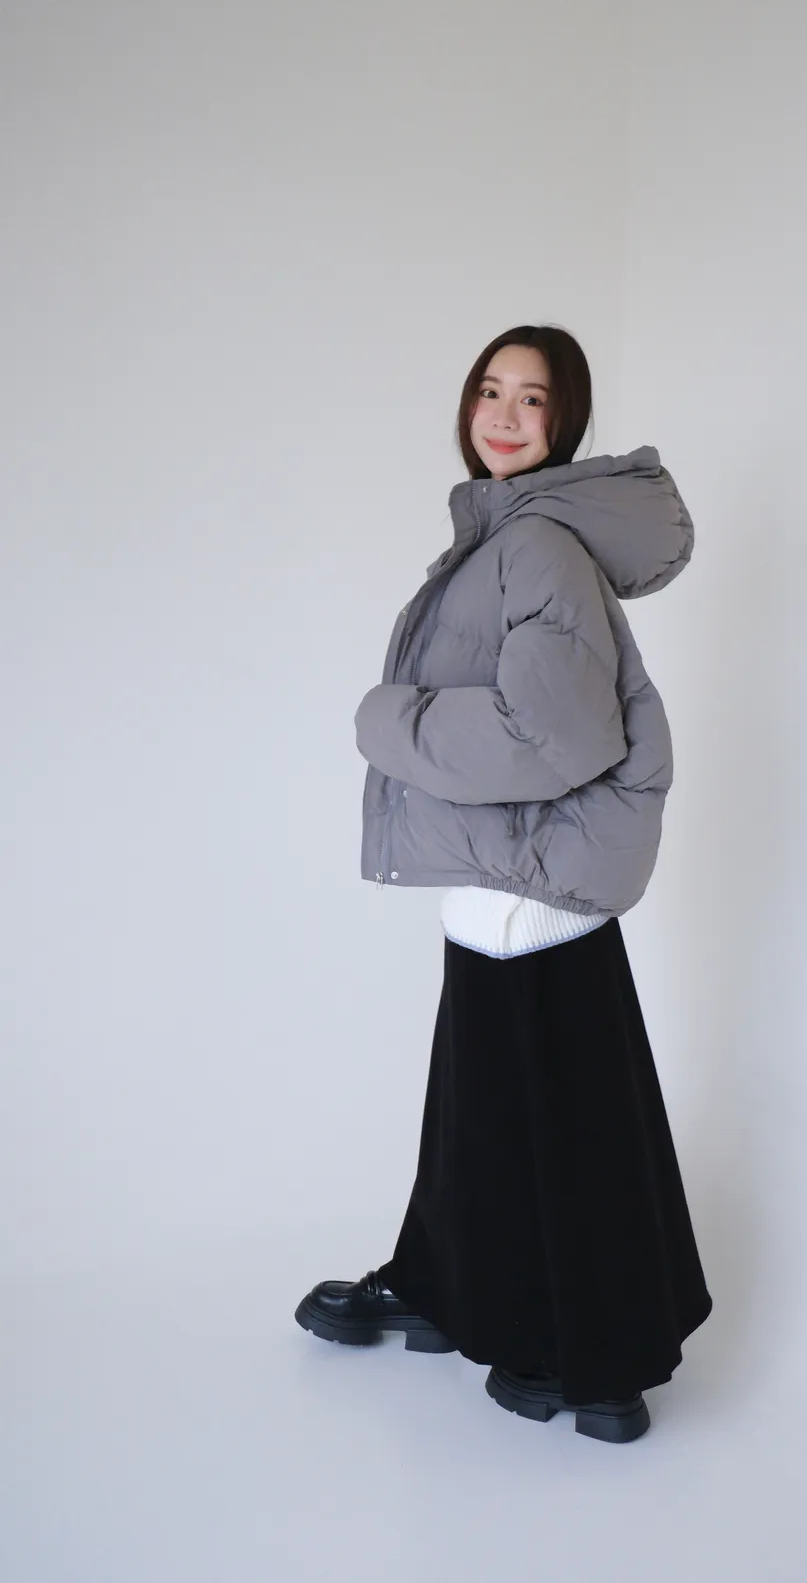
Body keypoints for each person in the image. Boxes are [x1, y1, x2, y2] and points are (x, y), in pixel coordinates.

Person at [294, 324, 712, 1444]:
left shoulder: (537, 547)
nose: (506, 415)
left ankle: (589, 1360)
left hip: (531, 890)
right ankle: (448, 1288)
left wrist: (389, 722)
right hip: (509, 885)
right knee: (487, 1121)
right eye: (491, 390)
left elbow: (552, 737)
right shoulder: (505, 538)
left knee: (559, 1133)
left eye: (534, 398)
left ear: (565, 421)